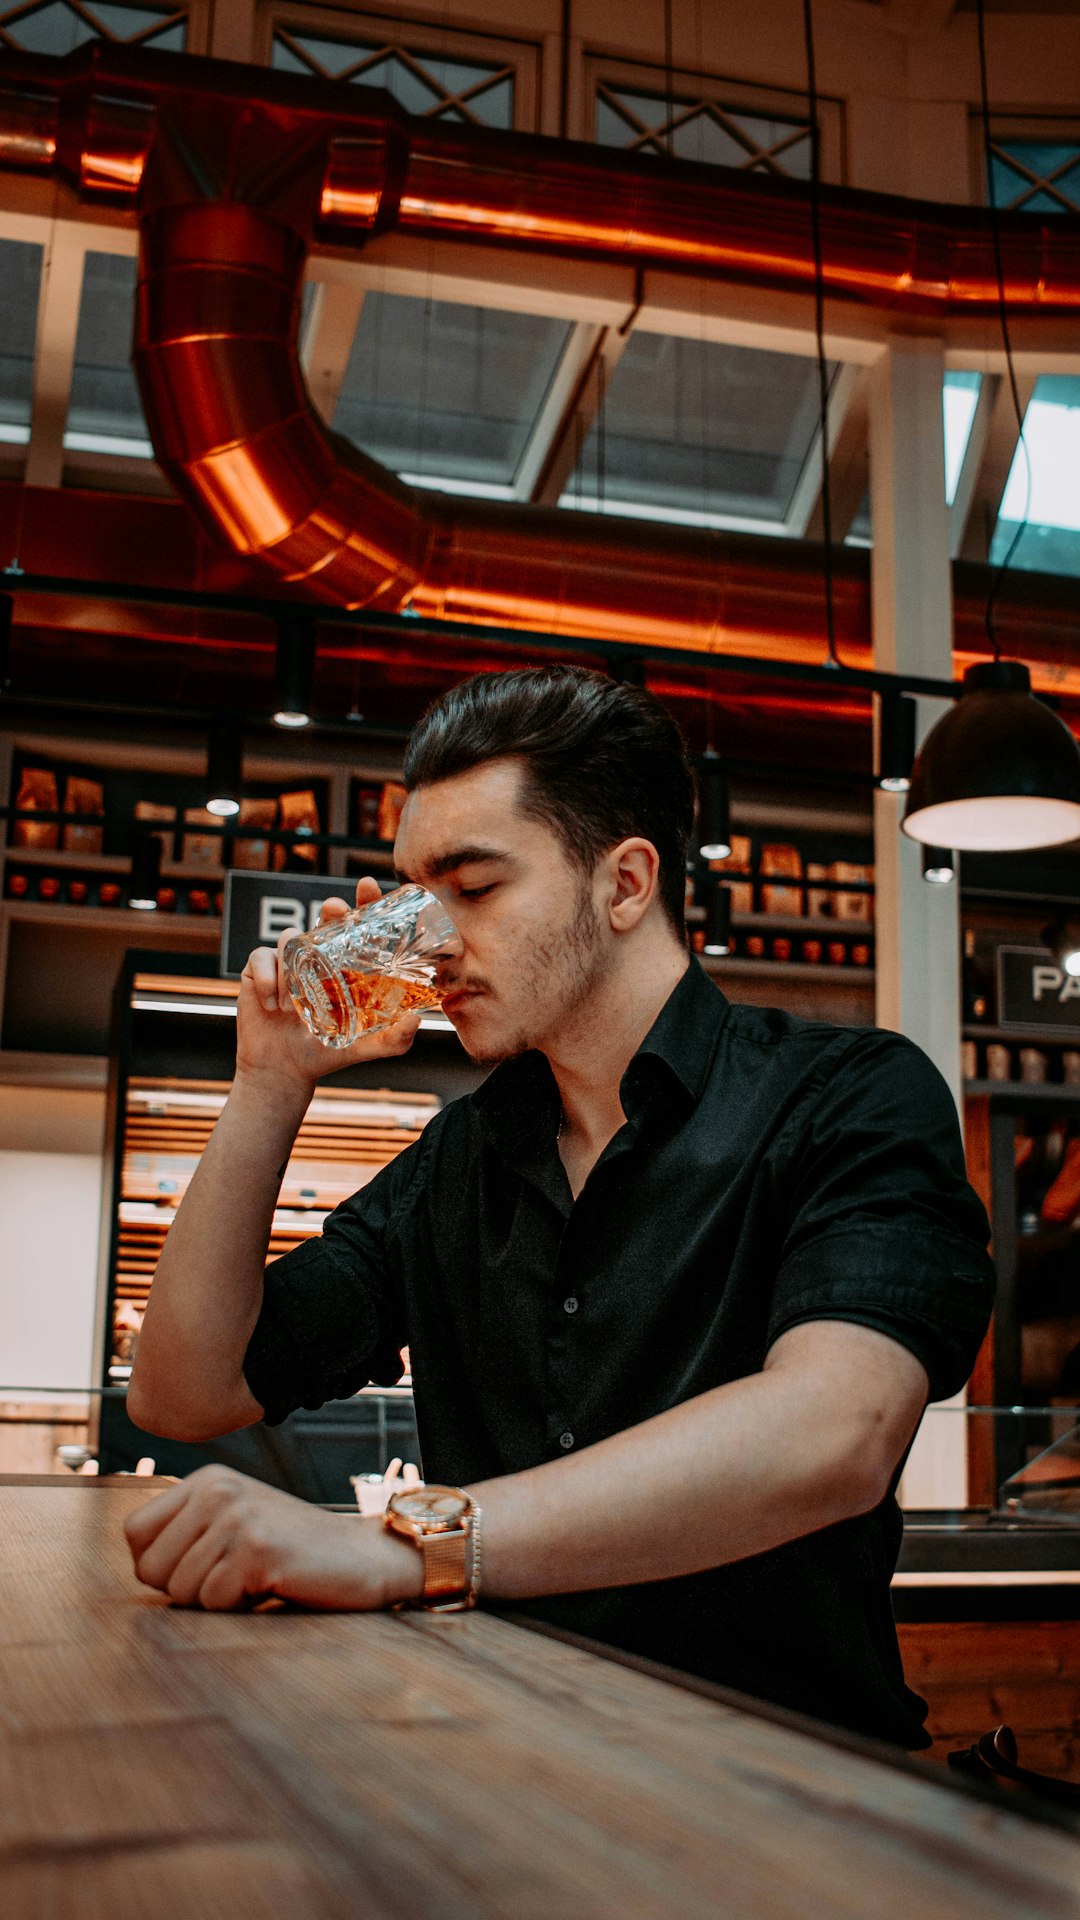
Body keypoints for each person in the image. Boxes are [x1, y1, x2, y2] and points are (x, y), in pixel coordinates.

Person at [125, 664, 995, 1747]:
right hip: (504, 1771)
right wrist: (269, 1083)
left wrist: (411, 1545)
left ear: (625, 883)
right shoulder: (461, 1160)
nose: (431, 941)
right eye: (412, 897)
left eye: (474, 889)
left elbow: (837, 1428)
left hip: (790, 1796)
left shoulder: (848, 1097)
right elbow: (183, 1392)